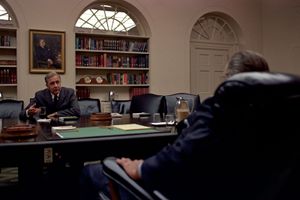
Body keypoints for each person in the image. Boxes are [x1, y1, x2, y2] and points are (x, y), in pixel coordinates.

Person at [79, 50, 270, 200]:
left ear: (230, 79)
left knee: (92, 171)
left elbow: (179, 156)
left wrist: (140, 167)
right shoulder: (279, 116)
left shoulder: (217, 110)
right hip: (241, 190)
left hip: (186, 191)